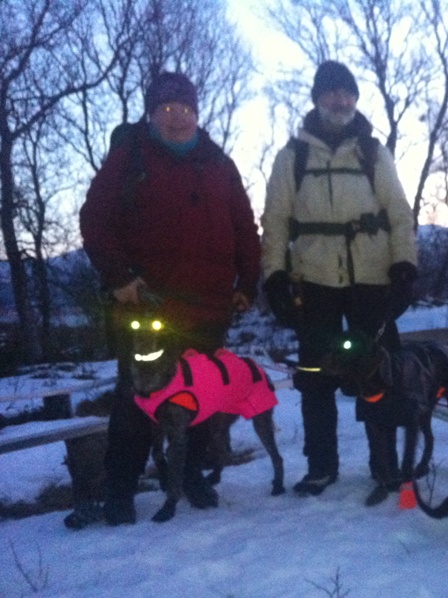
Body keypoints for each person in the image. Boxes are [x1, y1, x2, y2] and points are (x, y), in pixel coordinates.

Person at [80, 71, 261, 525]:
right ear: (151, 114)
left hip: (208, 308)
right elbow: (95, 219)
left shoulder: (219, 163)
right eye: (166, 109)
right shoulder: (130, 157)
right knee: (137, 400)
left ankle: (190, 477)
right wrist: (119, 277)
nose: (177, 117)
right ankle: (119, 489)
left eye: (185, 109)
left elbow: (244, 227)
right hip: (148, 306)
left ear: (196, 113)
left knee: (199, 396)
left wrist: (248, 283)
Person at [261, 60, 418, 497]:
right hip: (314, 278)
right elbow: (275, 221)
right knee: (314, 374)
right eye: (331, 93)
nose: (340, 100)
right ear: (316, 98)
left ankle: (386, 464)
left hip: (372, 275)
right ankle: (321, 465)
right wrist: (274, 276)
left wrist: (404, 267)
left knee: (380, 372)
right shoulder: (292, 158)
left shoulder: (373, 153)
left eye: (347, 93)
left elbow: (399, 212)